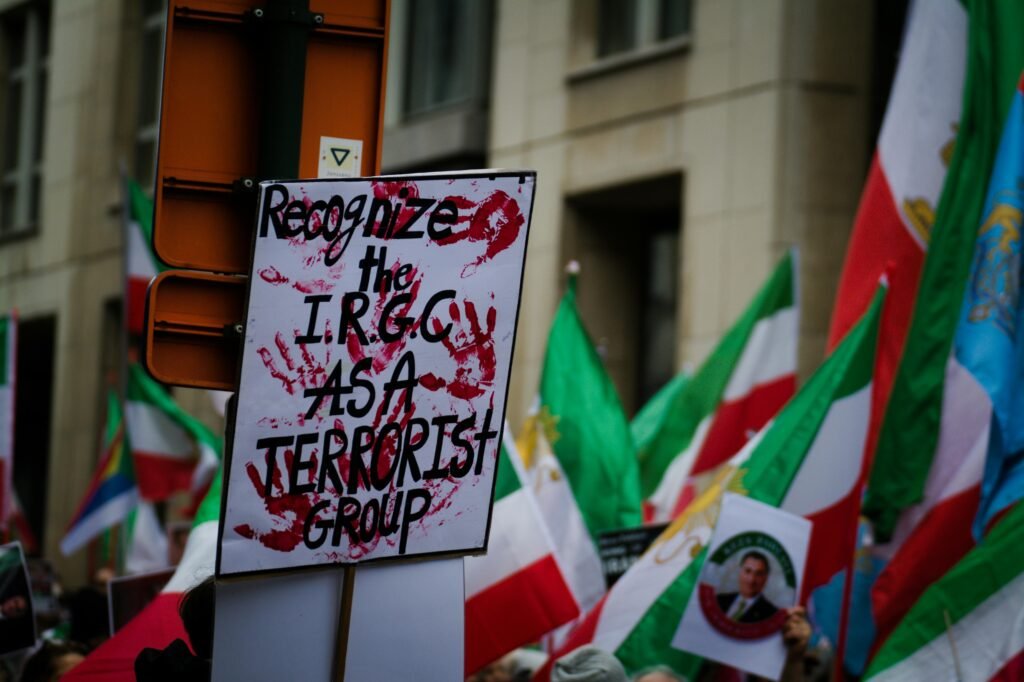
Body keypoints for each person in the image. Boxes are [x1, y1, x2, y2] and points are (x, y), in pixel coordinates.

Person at [715, 551, 778, 623]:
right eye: (748, 571)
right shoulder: (719, 600)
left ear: (765, 578)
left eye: (758, 574)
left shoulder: (772, 615)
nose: (751, 580)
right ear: (740, 572)